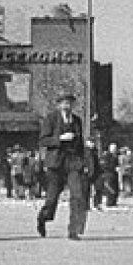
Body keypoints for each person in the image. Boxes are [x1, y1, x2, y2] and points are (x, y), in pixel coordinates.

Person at [36, 93, 87, 240]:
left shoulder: (77, 120)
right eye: (64, 103)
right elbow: (43, 141)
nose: (67, 106)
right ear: (59, 105)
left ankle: (74, 230)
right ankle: (43, 218)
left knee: (78, 196)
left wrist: (83, 162)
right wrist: (59, 139)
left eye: (69, 103)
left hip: (73, 163)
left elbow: (80, 143)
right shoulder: (51, 119)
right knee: (51, 199)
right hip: (56, 164)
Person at [98, 143, 120, 208]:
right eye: (113, 148)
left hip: (114, 174)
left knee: (115, 188)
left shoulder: (115, 156)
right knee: (110, 188)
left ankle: (114, 202)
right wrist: (113, 168)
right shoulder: (106, 156)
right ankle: (110, 202)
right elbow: (105, 165)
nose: (114, 150)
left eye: (115, 148)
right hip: (108, 174)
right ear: (110, 148)